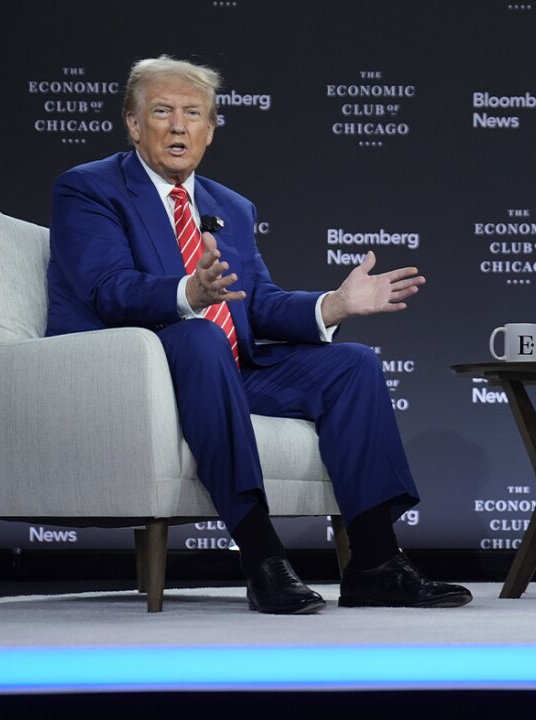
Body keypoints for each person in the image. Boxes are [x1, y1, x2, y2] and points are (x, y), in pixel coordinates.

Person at [46, 55, 471, 614]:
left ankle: (374, 562)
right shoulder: (90, 189)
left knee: (354, 364)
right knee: (199, 336)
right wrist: (187, 295)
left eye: (193, 113)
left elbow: (258, 303)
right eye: (162, 112)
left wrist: (333, 303)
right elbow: (106, 287)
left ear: (211, 129)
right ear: (132, 122)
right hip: (134, 369)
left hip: (226, 369)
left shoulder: (231, 207)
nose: (179, 126)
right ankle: (261, 557)